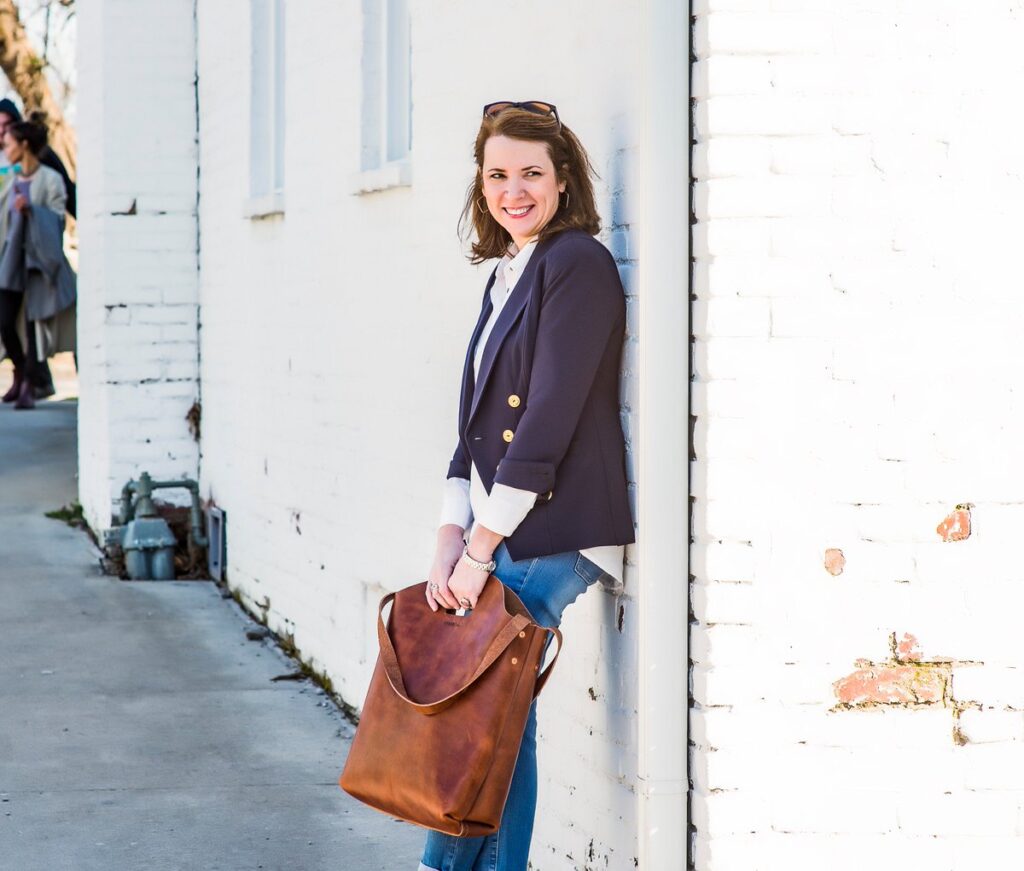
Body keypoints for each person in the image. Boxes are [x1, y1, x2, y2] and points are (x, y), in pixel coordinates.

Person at [418, 101, 634, 871]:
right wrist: (451, 533)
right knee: (495, 716)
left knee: (480, 711)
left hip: (554, 529)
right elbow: (473, 420)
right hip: (502, 528)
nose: (514, 189)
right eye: (498, 174)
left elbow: (545, 421)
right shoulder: (510, 270)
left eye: (532, 173)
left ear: (564, 178)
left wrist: (479, 552)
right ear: (480, 185)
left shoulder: (576, 263)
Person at [0, 113, 73, 410]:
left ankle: (30, 382)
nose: (5, 148)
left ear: (24, 144)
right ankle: (20, 371)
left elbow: (58, 219)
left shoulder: (51, 179)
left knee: (34, 325)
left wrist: (31, 210)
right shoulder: (10, 179)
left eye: (8, 142)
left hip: (39, 263)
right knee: (5, 321)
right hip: (11, 259)